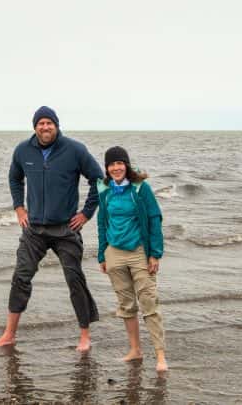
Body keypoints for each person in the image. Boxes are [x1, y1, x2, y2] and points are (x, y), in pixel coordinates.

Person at [0, 106, 104, 351]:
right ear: (35, 127)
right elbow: (14, 178)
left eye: (49, 123)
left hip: (66, 229)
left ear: (56, 125)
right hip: (34, 230)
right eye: (40, 123)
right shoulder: (23, 150)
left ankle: (85, 336)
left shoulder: (75, 150)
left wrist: (86, 213)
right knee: (20, 277)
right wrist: (19, 208)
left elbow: (98, 180)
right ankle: (9, 334)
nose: (45, 127)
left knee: (75, 279)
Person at [97, 146, 167, 372]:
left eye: (120, 163)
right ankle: (135, 350)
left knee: (149, 302)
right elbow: (101, 224)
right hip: (114, 253)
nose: (116, 168)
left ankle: (160, 356)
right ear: (107, 168)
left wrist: (155, 253)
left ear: (126, 165)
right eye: (112, 164)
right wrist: (102, 254)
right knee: (126, 305)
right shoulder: (105, 191)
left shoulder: (140, 189)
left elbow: (155, 219)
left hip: (139, 252)